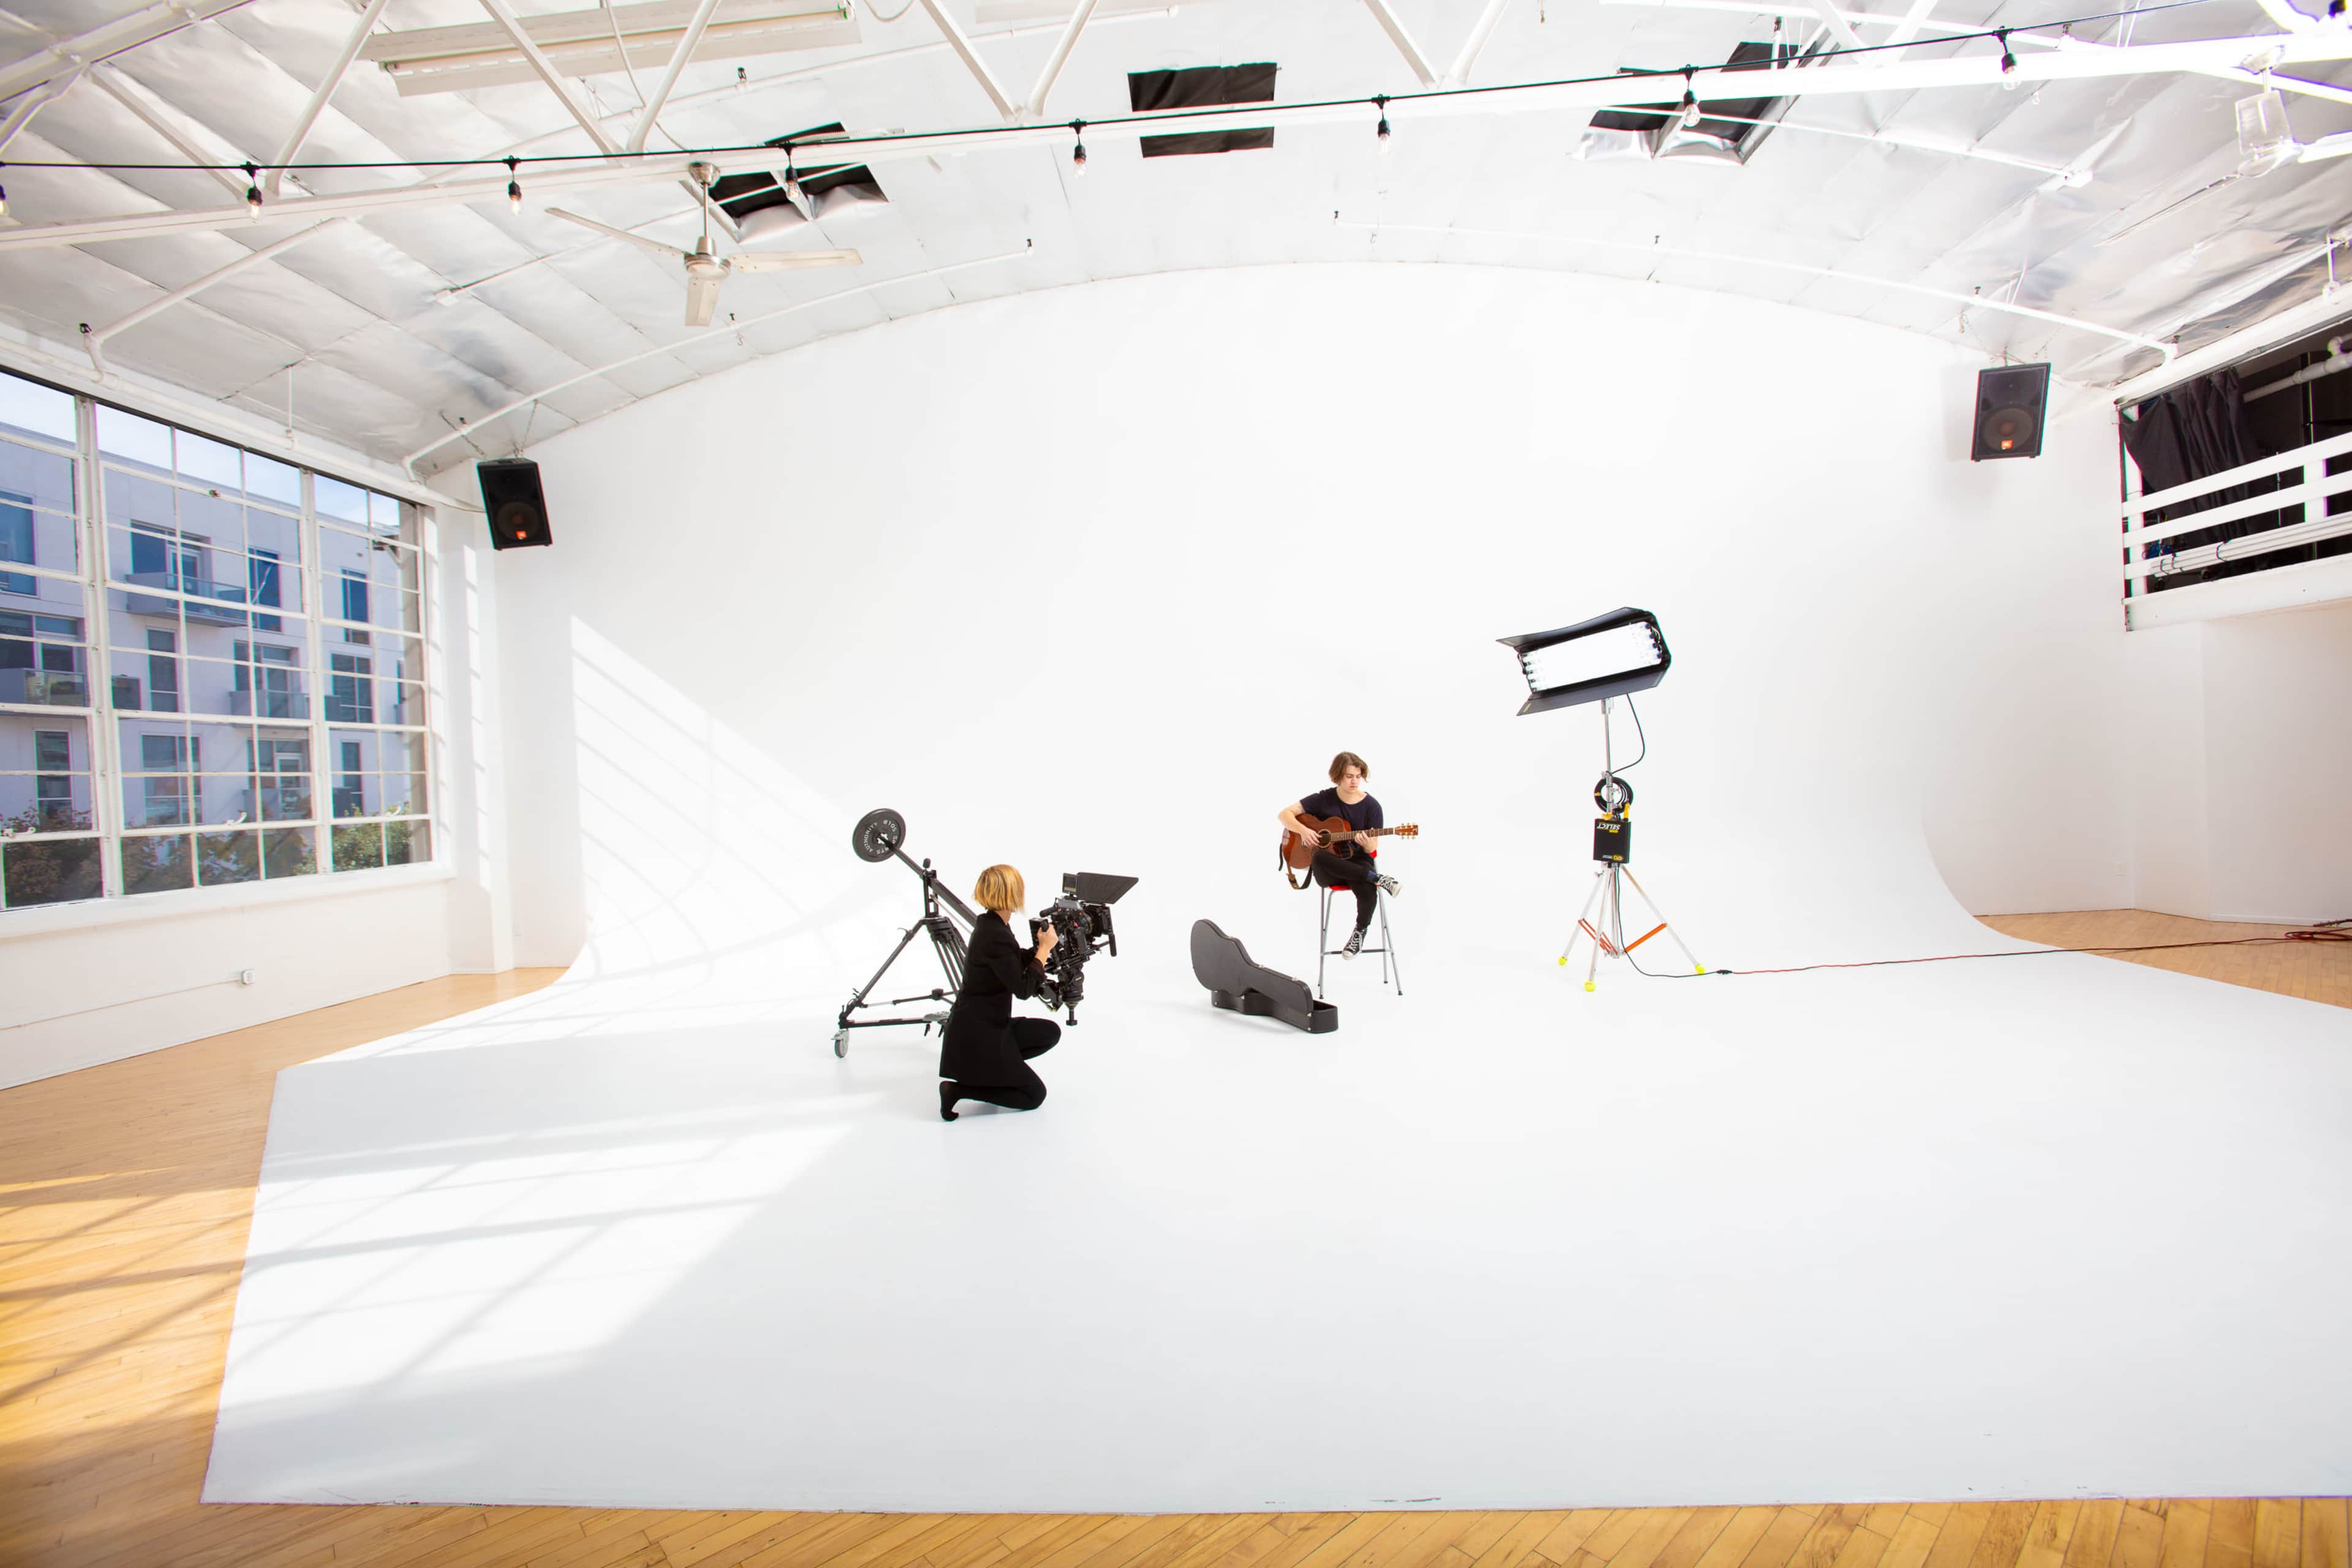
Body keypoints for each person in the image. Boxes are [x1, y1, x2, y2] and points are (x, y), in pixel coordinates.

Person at [938, 863, 1061, 1121]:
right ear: (1010, 894)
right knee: (1034, 1096)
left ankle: (998, 1070)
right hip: (978, 1037)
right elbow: (1023, 989)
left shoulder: (992, 925)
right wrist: (1043, 951)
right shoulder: (994, 934)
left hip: (988, 1026)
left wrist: (1044, 950)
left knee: (1050, 1033)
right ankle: (958, 1089)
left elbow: (1011, 959)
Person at [1276, 751, 1402, 960]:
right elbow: (1284, 814)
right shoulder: (1323, 799)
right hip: (1329, 868)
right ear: (1338, 776)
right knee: (1319, 857)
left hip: (1358, 862)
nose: (1354, 781)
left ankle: (1359, 934)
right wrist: (1304, 831)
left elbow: (1372, 849)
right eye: (1349, 776)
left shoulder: (1372, 806)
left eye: (1358, 776)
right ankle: (1380, 879)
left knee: (1367, 887)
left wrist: (1367, 843)